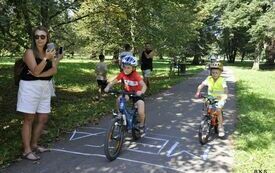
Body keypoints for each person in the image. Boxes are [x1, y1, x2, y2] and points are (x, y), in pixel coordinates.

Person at [17, 26, 63, 161]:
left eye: (42, 36)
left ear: (47, 38)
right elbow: (36, 71)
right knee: (29, 119)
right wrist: (45, 60)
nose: (39, 39)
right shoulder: (29, 52)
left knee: (43, 118)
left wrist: (51, 61)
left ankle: (34, 144)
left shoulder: (50, 51)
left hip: (45, 87)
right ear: (34, 38)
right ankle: (26, 150)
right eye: (36, 37)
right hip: (29, 87)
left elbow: (53, 70)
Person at [104, 55, 147, 133]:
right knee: (119, 100)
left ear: (133, 68)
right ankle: (119, 114)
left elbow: (144, 85)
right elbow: (113, 82)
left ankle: (141, 124)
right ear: (122, 66)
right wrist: (108, 87)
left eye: (128, 68)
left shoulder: (136, 75)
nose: (126, 69)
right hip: (127, 92)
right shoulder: (122, 74)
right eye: (124, 67)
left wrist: (141, 92)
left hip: (136, 94)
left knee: (141, 111)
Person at [195, 62, 228, 138]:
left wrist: (224, 95)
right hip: (211, 97)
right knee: (206, 103)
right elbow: (201, 85)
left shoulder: (222, 80)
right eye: (213, 72)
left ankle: (220, 127)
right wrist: (198, 92)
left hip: (220, 97)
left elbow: (225, 89)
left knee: (218, 110)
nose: (214, 74)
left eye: (216, 72)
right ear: (210, 72)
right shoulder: (208, 79)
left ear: (220, 73)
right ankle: (208, 117)